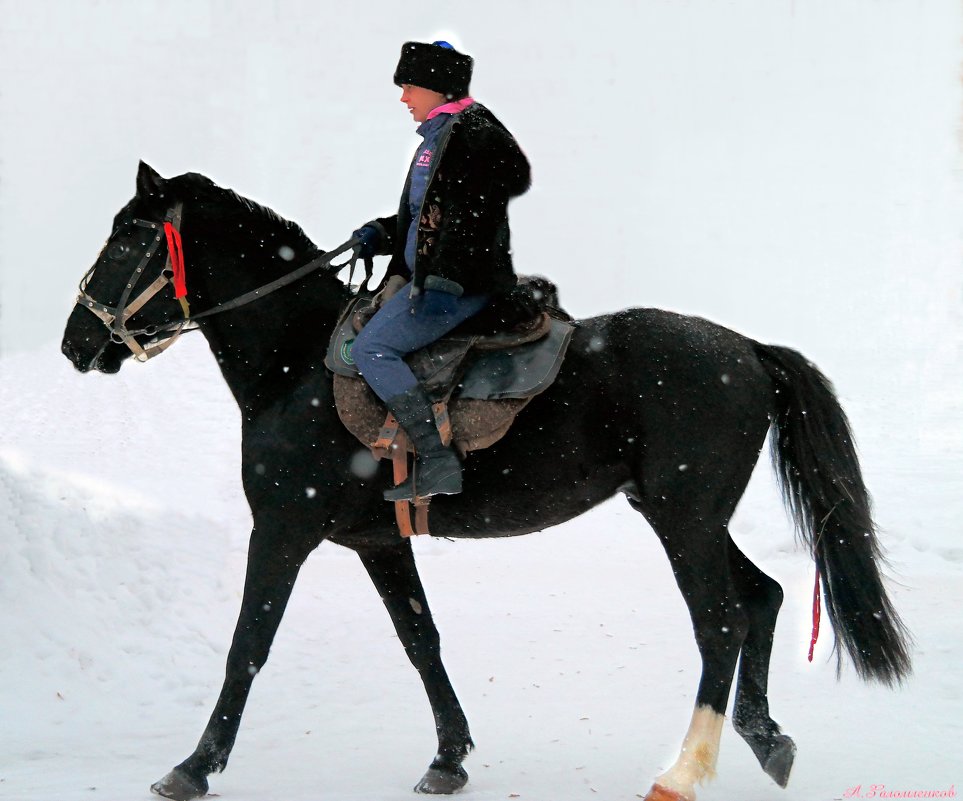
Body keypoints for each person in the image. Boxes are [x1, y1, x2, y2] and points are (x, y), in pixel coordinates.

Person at [351, 40, 531, 502]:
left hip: (456, 288)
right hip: (428, 279)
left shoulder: (472, 134)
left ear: (435, 88)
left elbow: (474, 214)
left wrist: (445, 278)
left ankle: (436, 460)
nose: (403, 97)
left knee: (372, 348)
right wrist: (381, 232)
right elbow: (426, 213)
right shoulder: (439, 136)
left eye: (409, 87)